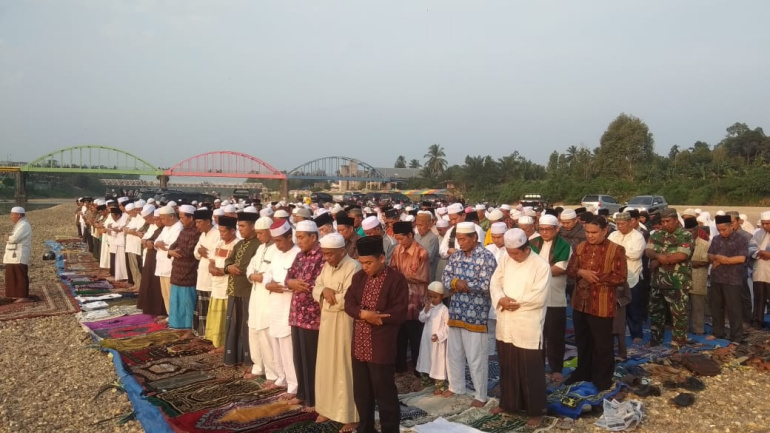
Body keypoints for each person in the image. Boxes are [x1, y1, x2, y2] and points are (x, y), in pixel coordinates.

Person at [344, 236, 408, 433]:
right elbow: (348, 303)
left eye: (368, 263)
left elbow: (400, 311)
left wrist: (377, 317)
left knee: (384, 392)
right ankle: (365, 428)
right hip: (359, 344)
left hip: (381, 345)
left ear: (381, 258)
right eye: (362, 263)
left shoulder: (396, 280)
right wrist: (363, 314)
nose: (364, 267)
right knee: (362, 392)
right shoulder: (358, 278)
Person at [489, 228, 551, 426]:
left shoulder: (541, 265)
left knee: (530, 368)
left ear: (526, 248)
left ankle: (536, 411)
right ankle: (508, 404)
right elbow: (495, 282)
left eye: (515, 253)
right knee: (507, 365)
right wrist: (501, 299)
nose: (512, 257)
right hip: (506, 321)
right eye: (509, 252)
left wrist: (513, 303)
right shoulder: (506, 259)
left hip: (527, 323)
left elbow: (538, 296)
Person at [565, 216, 627, 391]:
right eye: (587, 232)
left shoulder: (616, 250)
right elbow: (570, 270)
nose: (590, 236)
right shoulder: (580, 247)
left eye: (594, 232)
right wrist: (581, 272)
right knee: (583, 340)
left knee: (602, 344)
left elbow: (621, 277)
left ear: (605, 230)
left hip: (601, 303)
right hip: (580, 302)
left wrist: (596, 276)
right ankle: (583, 372)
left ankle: (602, 379)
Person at [441, 221, 498, 407]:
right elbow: (445, 277)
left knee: (476, 357)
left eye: (463, 239)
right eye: (458, 239)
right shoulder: (456, 255)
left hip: (476, 315)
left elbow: (487, 284)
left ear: (474, 238)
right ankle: (456, 386)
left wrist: (463, 285)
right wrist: (455, 283)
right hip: (456, 312)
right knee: (454, 353)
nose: (460, 243)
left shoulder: (487, 257)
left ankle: (480, 395)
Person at [312, 232, 362, 433]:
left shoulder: (353, 267)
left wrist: (327, 298)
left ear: (342, 251)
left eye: (330, 254)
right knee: (326, 365)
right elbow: (316, 287)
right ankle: (327, 408)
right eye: (324, 254)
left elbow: (349, 299)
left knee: (344, 368)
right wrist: (324, 291)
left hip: (344, 324)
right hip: (327, 323)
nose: (326, 258)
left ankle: (350, 416)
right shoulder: (327, 266)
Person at [285, 220, 325, 410]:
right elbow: (289, 276)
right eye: (297, 237)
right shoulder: (300, 255)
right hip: (296, 313)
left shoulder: (323, 256)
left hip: (313, 316)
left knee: (311, 359)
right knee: (299, 357)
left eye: (301, 237)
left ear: (313, 237)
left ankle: (314, 399)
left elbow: (317, 283)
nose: (298, 241)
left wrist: (298, 284)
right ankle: (302, 393)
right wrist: (291, 283)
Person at [529, 214, 572, 382]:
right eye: (541, 229)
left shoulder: (564, 245)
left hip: (555, 297)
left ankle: (556, 369)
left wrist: (537, 272)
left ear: (556, 229)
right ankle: (537, 367)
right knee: (536, 335)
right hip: (534, 296)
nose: (544, 232)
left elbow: (560, 268)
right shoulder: (533, 243)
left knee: (555, 336)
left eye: (548, 229)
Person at [645, 208, 693, 347]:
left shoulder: (685, 235)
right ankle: (655, 339)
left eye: (668, 221)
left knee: (679, 314)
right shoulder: (657, 234)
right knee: (656, 312)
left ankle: (679, 341)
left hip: (677, 282)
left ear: (676, 221)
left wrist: (659, 260)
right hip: (657, 280)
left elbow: (681, 255)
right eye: (663, 221)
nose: (665, 224)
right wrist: (659, 256)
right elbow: (648, 251)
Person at [264, 220, 301, 399]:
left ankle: (294, 385)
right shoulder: (276, 254)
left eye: (279, 241)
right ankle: (282, 378)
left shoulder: (298, 254)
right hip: (275, 304)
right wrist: (268, 284)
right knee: (276, 343)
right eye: (275, 241)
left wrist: (281, 286)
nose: (277, 245)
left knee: (288, 348)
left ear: (289, 237)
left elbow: (297, 282)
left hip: (289, 305)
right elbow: (267, 275)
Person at [390, 221, 430, 374]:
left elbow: (422, 277)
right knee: (400, 334)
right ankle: (400, 366)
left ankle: (418, 368)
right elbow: (392, 269)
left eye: (401, 238)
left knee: (416, 336)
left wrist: (400, 277)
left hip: (416, 300)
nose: (399, 242)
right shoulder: (397, 250)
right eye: (397, 239)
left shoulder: (422, 253)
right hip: (400, 299)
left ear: (410, 235)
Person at [223, 211, 260, 367]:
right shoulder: (239, 244)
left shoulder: (258, 244)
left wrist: (235, 268)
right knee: (233, 324)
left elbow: (247, 267)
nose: (240, 229)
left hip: (247, 291)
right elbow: (228, 259)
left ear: (252, 227)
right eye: (238, 226)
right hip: (234, 290)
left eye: (242, 226)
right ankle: (234, 357)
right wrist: (228, 267)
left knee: (246, 326)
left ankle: (248, 359)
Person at [707, 214, 750, 343]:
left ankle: (736, 336)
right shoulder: (716, 239)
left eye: (724, 229)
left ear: (731, 226)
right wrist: (716, 258)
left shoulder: (741, 239)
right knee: (716, 307)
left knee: (734, 309)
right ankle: (717, 332)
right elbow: (709, 255)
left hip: (733, 279)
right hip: (717, 277)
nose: (721, 232)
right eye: (719, 230)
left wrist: (722, 260)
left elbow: (741, 258)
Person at [245, 217, 277, 381]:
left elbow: (271, 273)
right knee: (253, 330)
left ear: (270, 231)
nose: (257, 236)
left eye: (260, 233)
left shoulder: (277, 249)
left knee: (265, 334)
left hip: (267, 296)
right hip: (256, 294)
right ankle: (258, 367)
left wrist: (260, 277)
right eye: (256, 233)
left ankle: (272, 373)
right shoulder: (260, 248)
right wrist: (252, 275)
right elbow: (250, 267)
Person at [607, 212, 647, 344]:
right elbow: (607, 252)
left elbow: (635, 255)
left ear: (630, 223)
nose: (619, 226)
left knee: (633, 308)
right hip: (614, 276)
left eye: (622, 224)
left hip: (632, 276)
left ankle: (637, 334)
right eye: (617, 224)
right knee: (615, 306)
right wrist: (621, 253)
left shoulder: (638, 237)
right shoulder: (613, 235)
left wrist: (616, 252)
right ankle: (616, 333)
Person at [167, 205, 202, 329]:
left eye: (182, 217)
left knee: (187, 302)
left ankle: (188, 326)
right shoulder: (183, 230)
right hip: (177, 271)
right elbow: (174, 244)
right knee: (176, 301)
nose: (180, 220)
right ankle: (176, 323)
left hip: (188, 273)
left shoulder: (197, 232)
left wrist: (174, 252)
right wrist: (170, 251)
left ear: (191, 218)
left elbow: (189, 252)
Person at [206, 216, 238, 350]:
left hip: (227, 286)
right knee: (216, 315)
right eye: (220, 231)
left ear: (233, 231)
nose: (221, 234)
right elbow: (212, 261)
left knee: (226, 316)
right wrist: (211, 268)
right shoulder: (219, 244)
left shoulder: (237, 245)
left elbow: (237, 267)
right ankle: (216, 341)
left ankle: (225, 344)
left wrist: (223, 271)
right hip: (216, 284)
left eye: (224, 231)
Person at [416, 281, 449, 395]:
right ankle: (426, 382)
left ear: (442, 296)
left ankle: (439, 386)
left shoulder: (444, 310)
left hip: (438, 342)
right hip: (427, 340)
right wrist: (426, 310)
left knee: (438, 362)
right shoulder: (428, 307)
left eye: (435, 297)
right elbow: (421, 319)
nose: (432, 299)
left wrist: (439, 335)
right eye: (430, 296)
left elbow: (447, 326)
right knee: (425, 360)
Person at [192, 208, 219, 337]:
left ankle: (208, 335)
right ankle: (200, 333)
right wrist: (200, 252)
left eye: (199, 222)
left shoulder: (217, 234)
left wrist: (204, 252)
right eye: (196, 222)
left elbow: (215, 255)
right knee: (201, 306)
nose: (197, 225)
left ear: (208, 222)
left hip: (211, 278)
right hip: (202, 275)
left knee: (209, 308)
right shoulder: (203, 235)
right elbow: (196, 252)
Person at [154, 206, 183, 315]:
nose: (161, 221)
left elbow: (172, 246)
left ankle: (175, 317)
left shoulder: (179, 228)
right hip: (162, 265)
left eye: (163, 218)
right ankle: (169, 316)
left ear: (171, 216)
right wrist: (159, 244)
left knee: (172, 294)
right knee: (165, 294)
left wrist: (161, 245)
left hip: (171, 266)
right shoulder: (166, 228)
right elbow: (156, 242)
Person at [685, 217, 710, 335]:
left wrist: (690, 263)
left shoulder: (705, 244)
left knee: (698, 306)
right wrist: (693, 263)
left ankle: (698, 330)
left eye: (691, 231)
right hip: (683, 279)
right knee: (683, 307)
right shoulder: (681, 243)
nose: (689, 234)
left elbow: (705, 262)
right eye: (687, 231)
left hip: (698, 278)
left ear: (696, 230)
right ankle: (683, 330)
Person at [3, 207, 32, 302]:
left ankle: (22, 296)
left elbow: (14, 238)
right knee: (11, 274)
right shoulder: (19, 225)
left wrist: (8, 237)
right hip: (13, 254)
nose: (11, 216)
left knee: (19, 274)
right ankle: (14, 294)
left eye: (12, 214)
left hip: (19, 253)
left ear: (18, 215)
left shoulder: (24, 225)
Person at [751, 211, 770, 329]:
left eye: (767, 223)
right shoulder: (758, 234)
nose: (765, 226)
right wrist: (760, 253)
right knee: (759, 298)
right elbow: (751, 247)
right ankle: (757, 322)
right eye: (763, 223)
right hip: (760, 270)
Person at [414, 212, 440, 281]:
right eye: (417, 225)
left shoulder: (433, 238)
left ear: (428, 226)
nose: (418, 228)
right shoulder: (416, 236)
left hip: (427, 275)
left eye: (421, 225)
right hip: (415, 274)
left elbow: (428, 258)